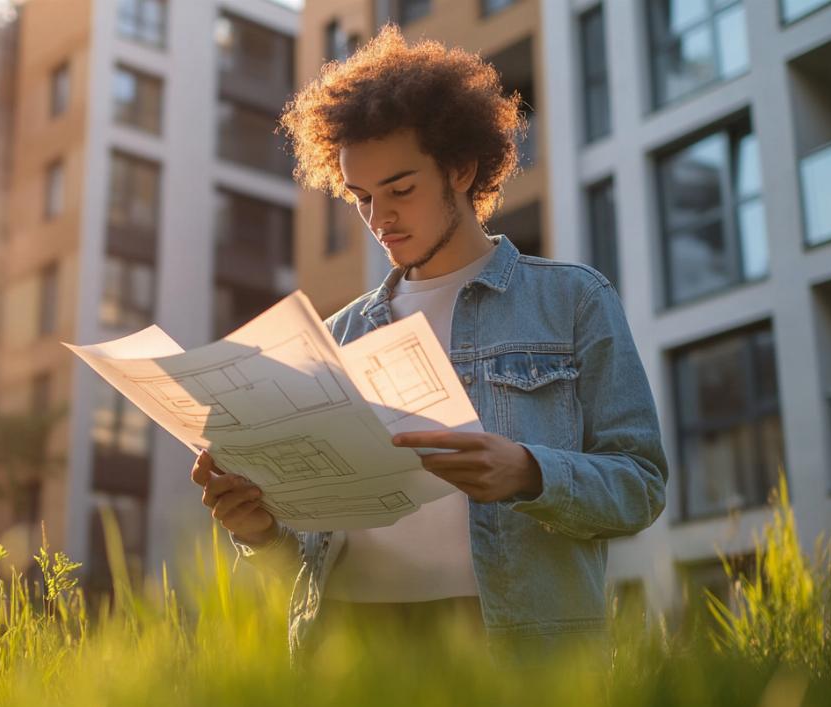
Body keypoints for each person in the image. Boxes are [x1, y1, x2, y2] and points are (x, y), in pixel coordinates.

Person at [189, 25, 667, 661]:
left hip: (511, 650)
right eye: (360, 197)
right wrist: (259, 533)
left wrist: (529, 472)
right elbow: (310, 565)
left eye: (401, 189)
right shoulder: (338, 336)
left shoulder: (572, 302)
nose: (378, 218)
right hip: (349, 649)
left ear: (461, 170)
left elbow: (641, 486)